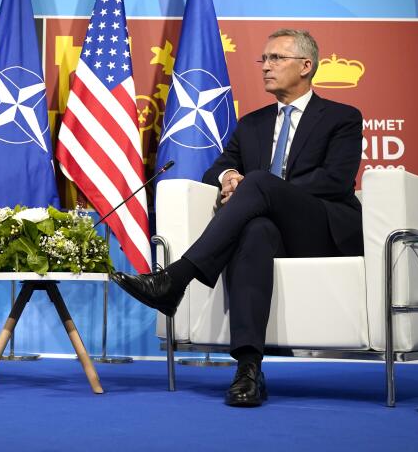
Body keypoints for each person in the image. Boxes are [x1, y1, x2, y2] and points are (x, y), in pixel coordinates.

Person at [112, 29, 363, 407]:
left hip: (322, 227)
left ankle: (175, 279)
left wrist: (263, 188)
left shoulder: (342, 118)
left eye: (276, 58)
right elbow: (217, 170)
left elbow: (335, 180)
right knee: (256, 230)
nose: (266, 66)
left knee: (260, 183)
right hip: (272, 230)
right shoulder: (252, 124)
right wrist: (231, 179)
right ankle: (248, 369)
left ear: (306, 66)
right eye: (263, 59)